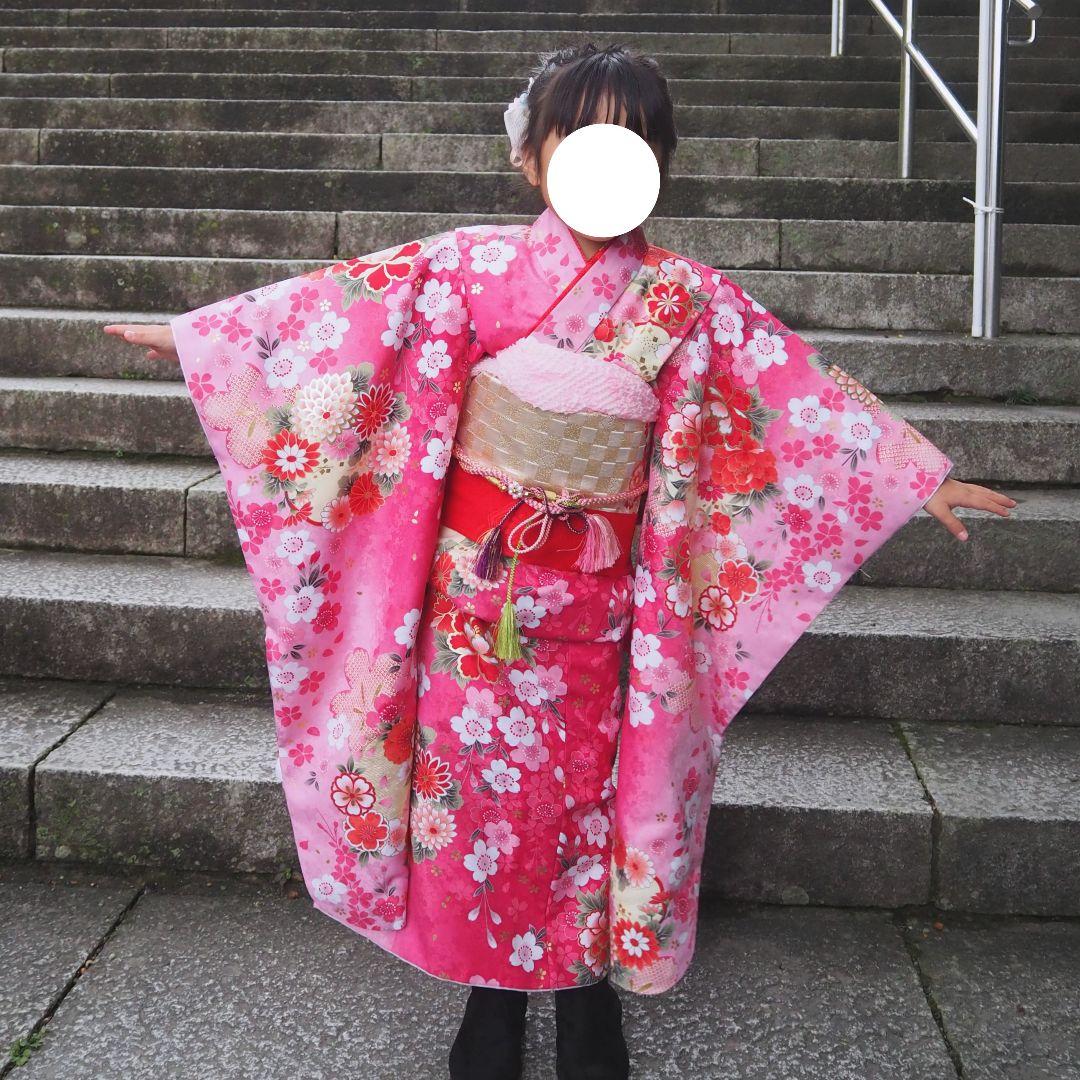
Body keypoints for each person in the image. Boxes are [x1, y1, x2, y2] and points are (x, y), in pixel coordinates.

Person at [103, 41, 1016, 1080]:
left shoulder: (686, 299)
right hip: (473, 607)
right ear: (532, 157)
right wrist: (206, 344)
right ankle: (488, 1003)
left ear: (661, 163)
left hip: (603, 611)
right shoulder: (466, 269)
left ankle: (587, 1001)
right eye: (581, 138)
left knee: (587, 809)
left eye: (633, 141)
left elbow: (792, 397)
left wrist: (909, 473)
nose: (606, 161)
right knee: (477, 813)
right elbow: (336, 323)